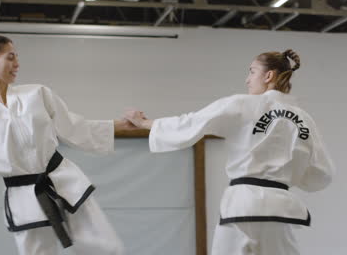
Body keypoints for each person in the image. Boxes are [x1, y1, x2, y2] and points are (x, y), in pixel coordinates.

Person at [0, 35, 131, 255]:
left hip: (64, 181)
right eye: (10, 57)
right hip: (23, 196)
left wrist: (123, 125)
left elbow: (76, 128)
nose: (17, 64)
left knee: (106, 248)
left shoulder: (37, 94)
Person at [126, 50, 335, 255]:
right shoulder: (304, 119)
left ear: (269, 75)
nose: (247, 79)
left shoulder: (244, 104)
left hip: (243, 205)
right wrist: (286, 172)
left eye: (252, 72)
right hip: (280, 208)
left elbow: (192, 122)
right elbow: (321, 174)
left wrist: (145, 123)